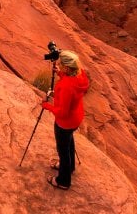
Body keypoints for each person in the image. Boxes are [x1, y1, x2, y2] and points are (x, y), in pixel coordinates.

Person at [41, 49, 89, 190]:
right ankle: (70, 167)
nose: (59, 66)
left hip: (65, 123)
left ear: (68, 68)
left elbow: (62, 112)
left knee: (63, 150)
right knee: (68, 143)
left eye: (61, 65)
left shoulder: (65, 87)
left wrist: (47, 106)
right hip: (76, 117)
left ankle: (63, 181)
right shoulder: (80, 75)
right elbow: (72, 84)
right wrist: (61, 73)